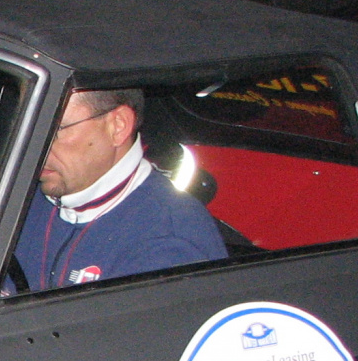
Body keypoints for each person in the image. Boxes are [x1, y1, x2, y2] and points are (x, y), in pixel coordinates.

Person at [15, 88, 227, 291]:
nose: (34, 147)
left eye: (54, 130)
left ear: (118, 126)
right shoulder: (20, 199)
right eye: (27, 127)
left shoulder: (169, 244)